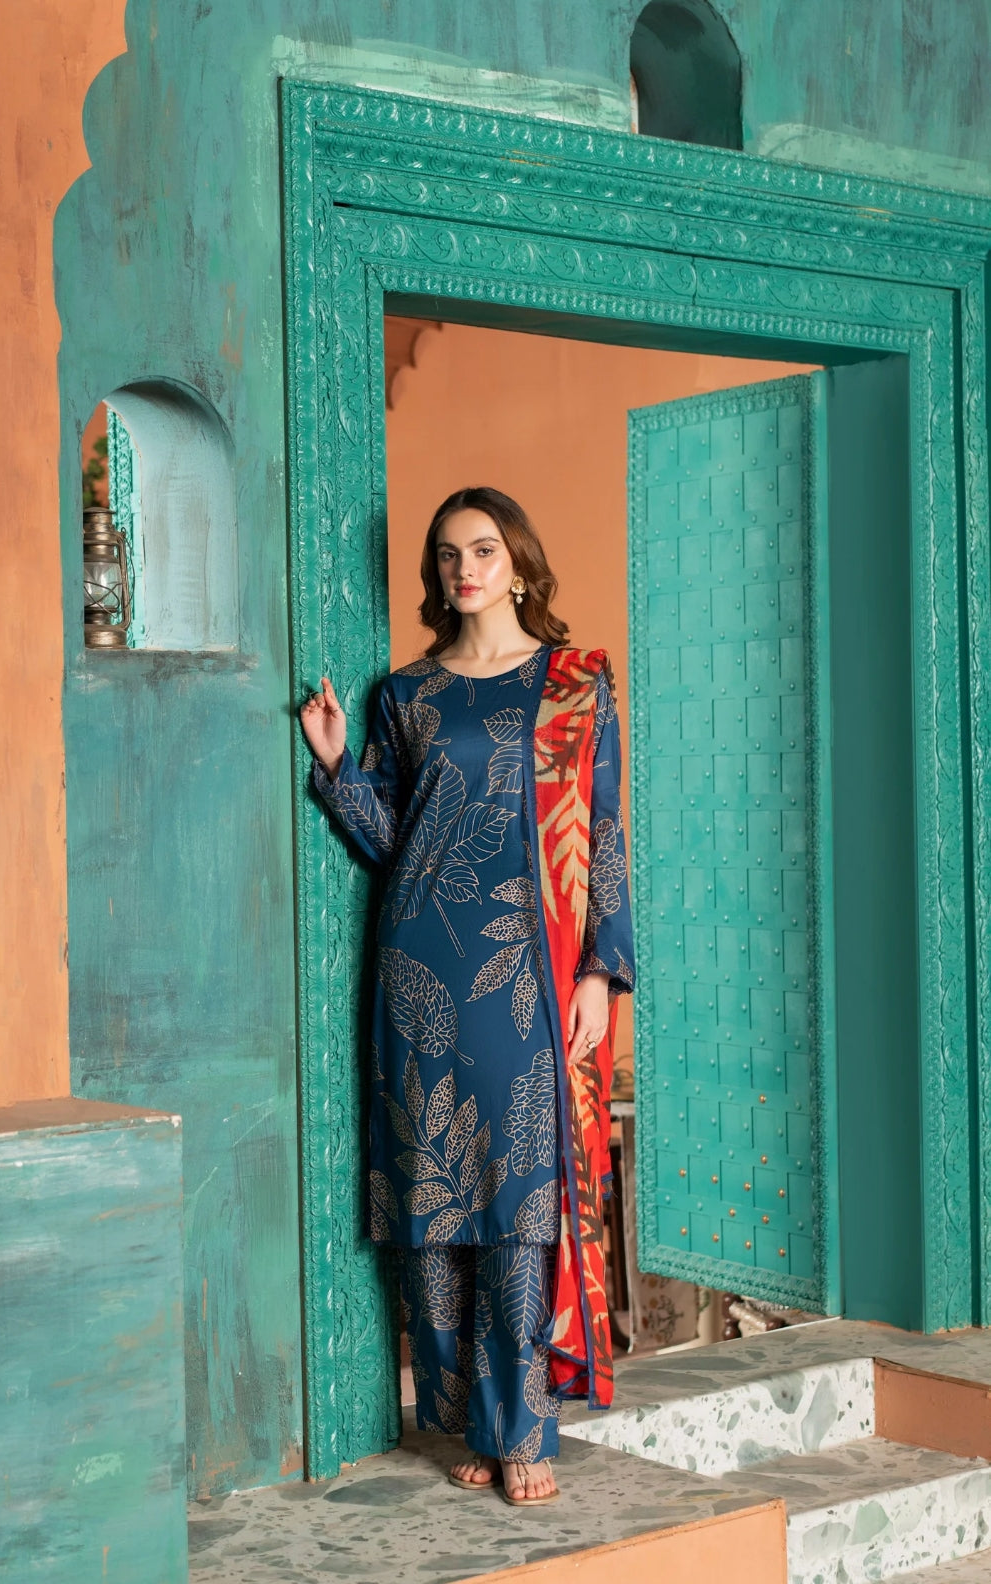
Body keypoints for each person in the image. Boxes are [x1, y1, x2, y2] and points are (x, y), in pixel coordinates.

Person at [300, 485, 634, 1505]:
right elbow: (393, 840)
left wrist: (599, 971)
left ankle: (522, 1427)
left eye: (483, 550)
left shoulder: (575, 684)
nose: (465, 570)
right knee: (436, 1199)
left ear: (519, 562)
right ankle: (468, 1423)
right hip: (418, 963)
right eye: (448, 555)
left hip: (526, 967)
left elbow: (603, 834)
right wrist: (337, 768)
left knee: (520, 1194)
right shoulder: (403, 695)